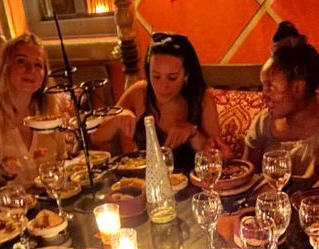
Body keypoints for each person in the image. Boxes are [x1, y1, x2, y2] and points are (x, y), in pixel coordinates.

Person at [96, 32, 226, 171]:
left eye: (172, 78)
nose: (163, 86)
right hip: (145, 185)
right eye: (156, 76)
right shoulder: (139, 93)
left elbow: (219, 157)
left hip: (191, 187)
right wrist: (118, 118)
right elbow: (95, 137)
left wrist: (193, 133)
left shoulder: (202, 100)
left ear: (186, 75)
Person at [244, 21, 319, 181]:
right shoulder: (263, 121)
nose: (264, 95)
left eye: (271, 86)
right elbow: (246, 178)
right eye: (263, 86)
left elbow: (315, 184)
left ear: (298, 87)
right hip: (265, 204)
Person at [0, 32, 68, 194]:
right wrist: (3, 173)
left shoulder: (49, 111)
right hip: (8, 211)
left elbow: (63, 159)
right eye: (21, 61)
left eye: (38, 65)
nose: (30, 70)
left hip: (51, 200)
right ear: (6, 68)